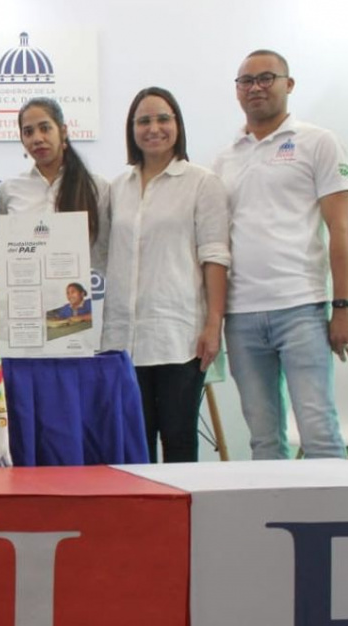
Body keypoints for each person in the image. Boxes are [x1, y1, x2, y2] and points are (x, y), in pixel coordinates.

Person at [213, 49, 348, 460]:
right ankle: (267, 525)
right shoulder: (225, 158)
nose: (255, 88)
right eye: (246, 81)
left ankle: (334, 522)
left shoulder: (319, 143)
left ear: (288, 84)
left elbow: (342, 229)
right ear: (237, 92)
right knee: (262, 438)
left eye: (266, 78)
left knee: (319, 431)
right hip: (240, 318)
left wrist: (343, 305)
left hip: (301, 309)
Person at [104, 87, 230, 463]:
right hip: (124, 338)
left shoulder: (202, 183)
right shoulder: (116, 188)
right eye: (143, 121)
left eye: (163, 119)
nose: (153, 128)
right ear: (131, 129)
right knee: (134, 442)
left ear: (178, 125)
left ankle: (182, 522)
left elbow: (215, 256)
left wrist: (213, 325)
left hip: (180, 336)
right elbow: (102, 256)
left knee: (178, 440)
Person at [0, 97, 111, 274]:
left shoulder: (97, 188)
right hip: (28, 295)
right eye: (28, 132)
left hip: (83, 297)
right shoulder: (10, 190)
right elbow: (7, 252)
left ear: (63, 131)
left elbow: (104, 253)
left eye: (45, 128)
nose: (37, 138)